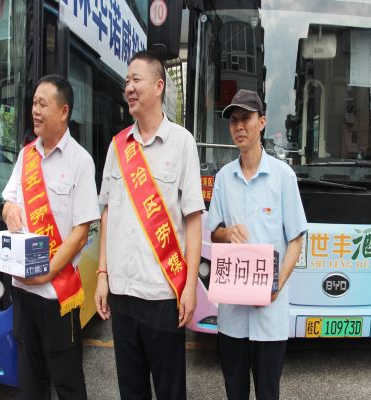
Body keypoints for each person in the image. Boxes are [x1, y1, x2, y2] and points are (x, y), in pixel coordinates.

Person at [95, 50, 205, 400]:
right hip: (122, 295)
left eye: (136, 80)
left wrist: (190, 287)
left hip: (162, 296)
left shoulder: (182, 143)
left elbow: (193, 220)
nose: (129, 87)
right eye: (127, 81)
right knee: (131, 390)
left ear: (159, 86)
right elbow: (107, 214)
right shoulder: (117, 147)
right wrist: (102, 275)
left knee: (170, 391)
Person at [2, 74, 100, 400]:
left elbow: (81, 232)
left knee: (67, 383)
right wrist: (9, 211)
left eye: (43, 104)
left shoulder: (80, 161)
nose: (35, 111)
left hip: (57, 294)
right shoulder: (26, 155)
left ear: (63, 111)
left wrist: (46, 273)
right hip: (22, 290)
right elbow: (8, 202)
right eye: (34, 103)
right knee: (30, 384)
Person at [206, 90, 308, 400]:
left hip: (269, 316)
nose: (239, 126)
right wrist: (228, 232)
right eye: (233, 120)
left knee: (267, 393)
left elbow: (296, 239)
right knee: (234, 392)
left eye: (246, 118)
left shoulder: (283, 176)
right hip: (233, 315)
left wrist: (275, 288)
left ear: (261, 122)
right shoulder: (223, 178)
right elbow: (214, 234)